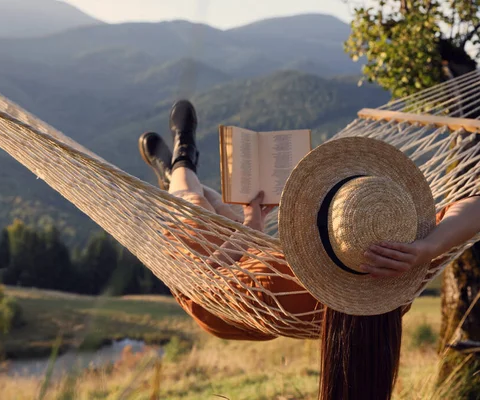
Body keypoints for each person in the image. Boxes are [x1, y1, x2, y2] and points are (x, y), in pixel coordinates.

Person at [138, 100, 480, 400]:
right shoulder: (402, 268)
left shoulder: (279, 282)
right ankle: (175, 172)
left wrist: (251, 226)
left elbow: (226, 270)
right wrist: (429, 247)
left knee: (191, 204)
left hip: (215, 293)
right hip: (257, 285)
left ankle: (182, 160)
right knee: (219, 211)